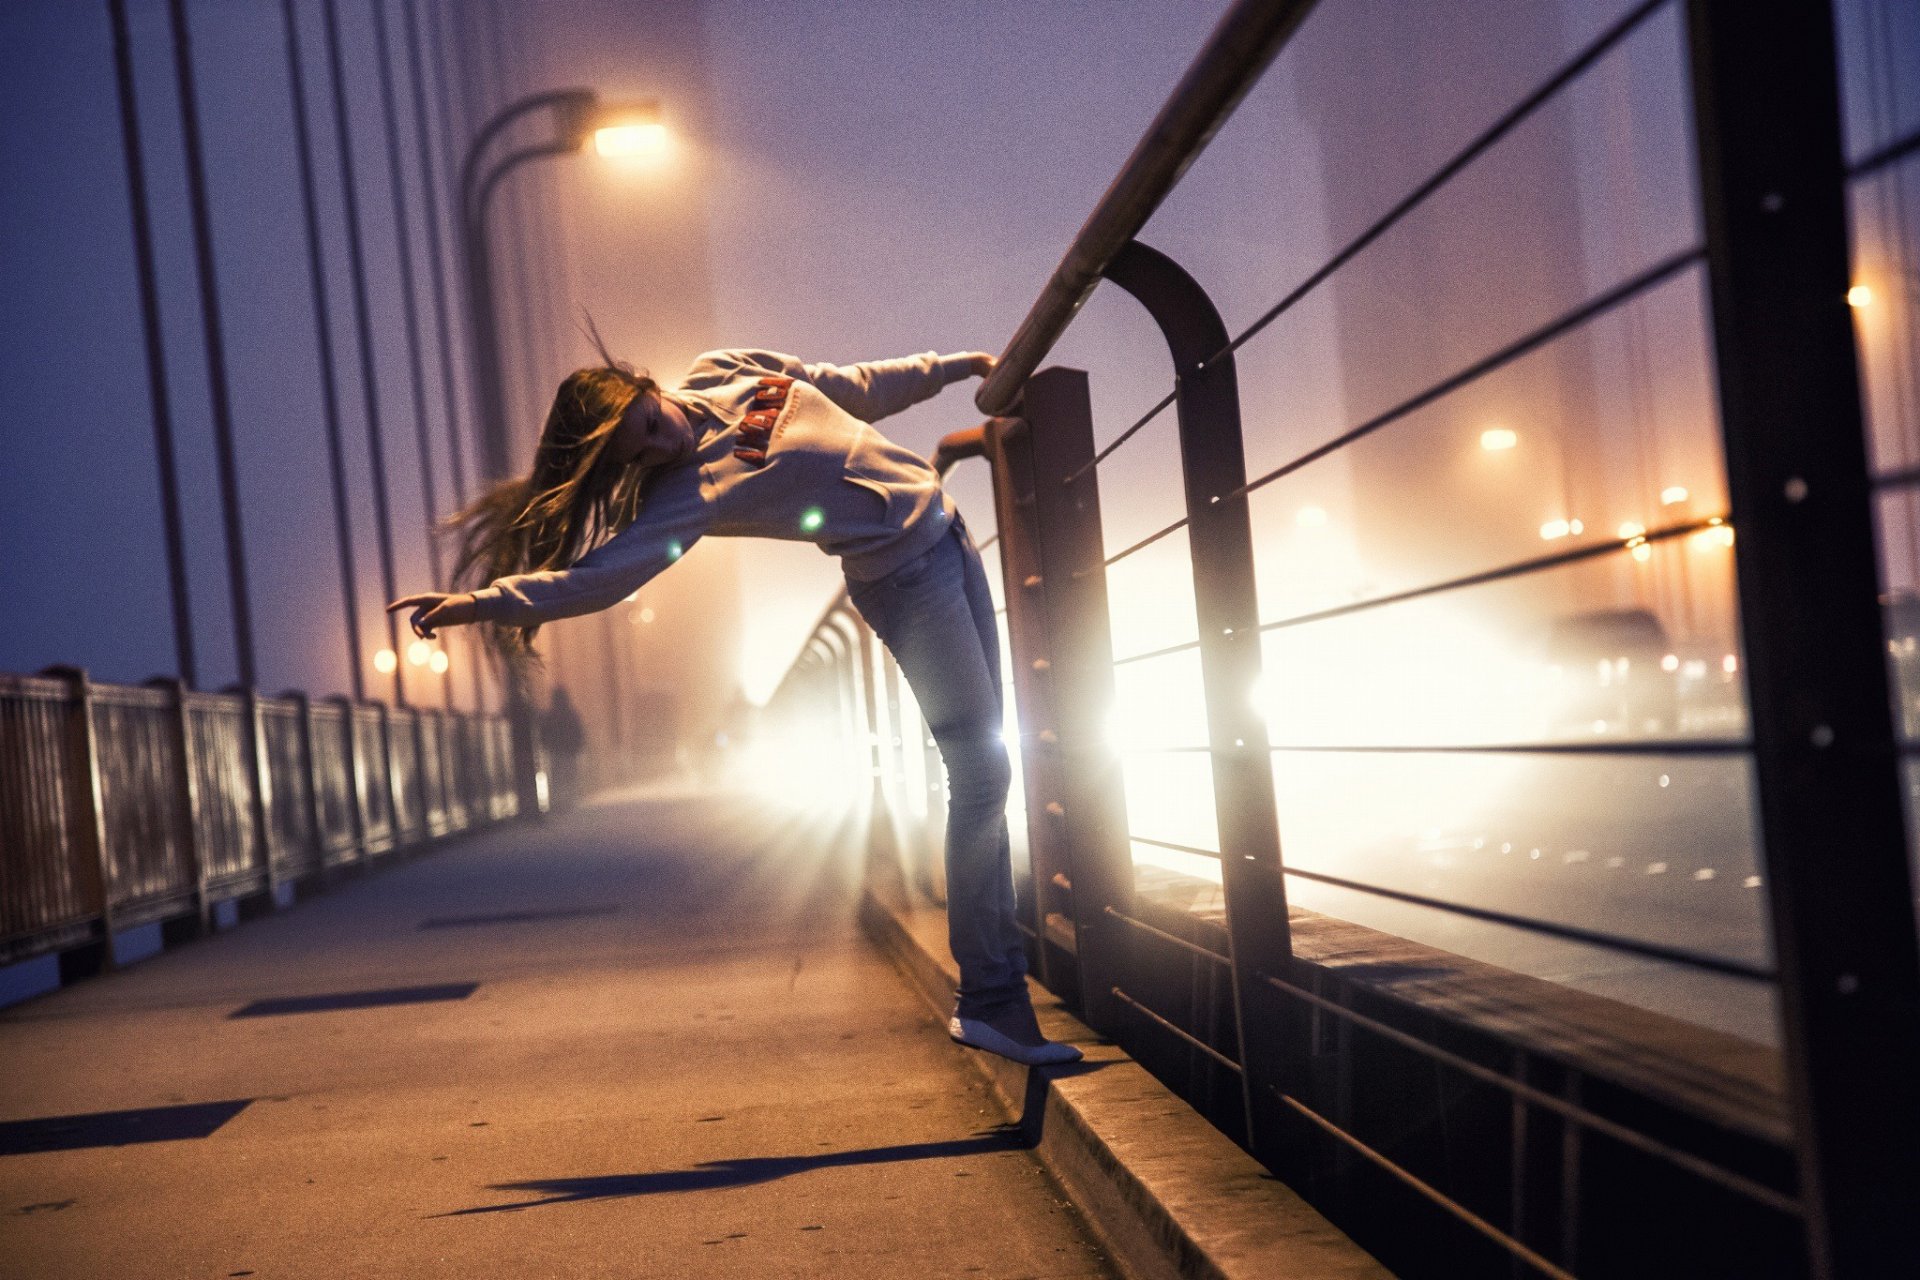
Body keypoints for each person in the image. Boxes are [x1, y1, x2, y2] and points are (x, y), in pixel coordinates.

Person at [388, 346, 1080, 1067]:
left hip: (950, 537)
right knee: (979, 776)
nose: (665, 443)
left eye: (650, 422)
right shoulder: (688, 494)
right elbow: (601, 578)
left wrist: (955, 366)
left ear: (647, 386)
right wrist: (482, 603)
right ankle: (991, 999)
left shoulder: (727, 370)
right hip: (907, 583)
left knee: (991, 764)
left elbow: (849, 386)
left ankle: (996, 990)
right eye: (644, 451)